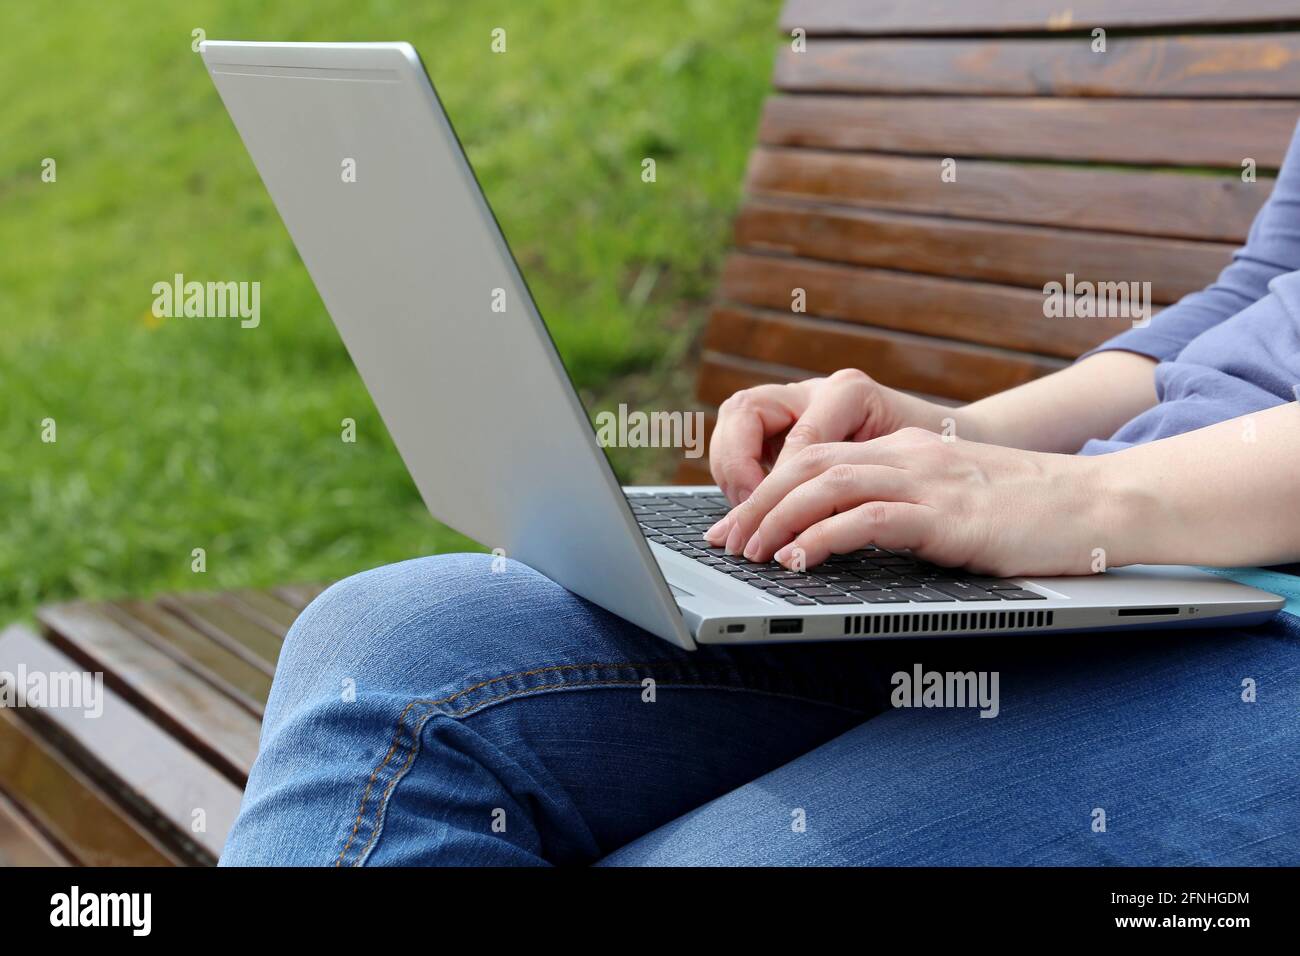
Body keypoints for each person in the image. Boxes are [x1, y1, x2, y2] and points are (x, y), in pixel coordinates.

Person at [219, 125, 1300, 867]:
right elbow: (1256, 302)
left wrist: (1099, 501)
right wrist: (952, 442)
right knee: (385, 652)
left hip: (1239, 596)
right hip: (1124, 549)